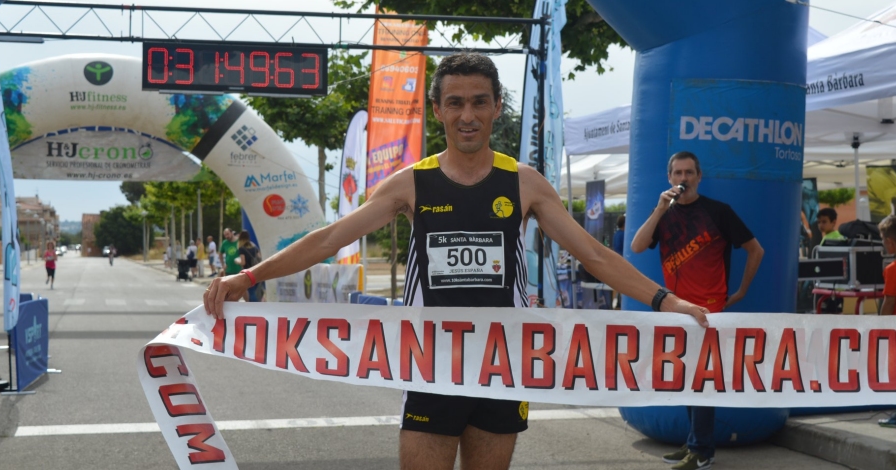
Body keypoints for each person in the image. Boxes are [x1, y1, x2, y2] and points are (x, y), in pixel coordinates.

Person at [204, 52, 709, 470]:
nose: (467, 114)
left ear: (496, 108)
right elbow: (330, 237)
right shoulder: (411, 183)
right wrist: (248, 275)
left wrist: (666, 301)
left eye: (479, 102)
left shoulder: (525, 183)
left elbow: (594, 254)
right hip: (432, 362)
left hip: (502, 361)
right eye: (455, 103)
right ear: (438, 110)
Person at [631, 150, 764, 470]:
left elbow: (755, 249)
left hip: (710, 311)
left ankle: (702, 450)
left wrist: (742, 291)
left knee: (702, 379)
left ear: (699, 177)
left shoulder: (719, 211)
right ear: (669, 178)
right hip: (675, 308)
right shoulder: (663, 213)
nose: (683, 179)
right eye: (677, 173)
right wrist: (660, 208)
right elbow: (636, 247)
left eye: (689, 173)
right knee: (686, 378)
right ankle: (695, 442)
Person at [234, 231, 263, 302]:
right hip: (257, 271)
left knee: (251, 292)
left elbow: (243, 263)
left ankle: (254, 308)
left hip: (248, 273)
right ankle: (258, 306)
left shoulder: (241, 248)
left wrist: (237, 261)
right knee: (258, 292)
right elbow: (259, 257)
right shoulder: (253, 246)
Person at [878, 215, 896, 315]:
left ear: (890, 242)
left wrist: (881, 329)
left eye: (882, 239)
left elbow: (889, 303)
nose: (882, 242)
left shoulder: (892, 269)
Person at [612, 215, 626, 309]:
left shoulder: (617, 234)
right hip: (622, 262)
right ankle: (620, 302)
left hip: (616, 261)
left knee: (618, 285)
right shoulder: (623, 234)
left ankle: (618, 302)